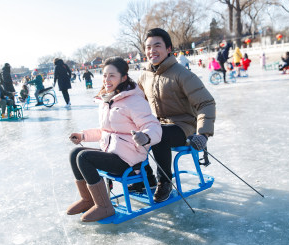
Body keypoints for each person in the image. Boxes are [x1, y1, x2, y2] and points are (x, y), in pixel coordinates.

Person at [68, 57, 162, 222]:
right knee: (75, 153)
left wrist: (145, 136)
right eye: (105, 75)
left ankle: (105, 206)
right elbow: (105, 131)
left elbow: (153, 126)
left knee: (84, 158)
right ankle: (89, 199)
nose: (107, 80)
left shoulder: (134, 101)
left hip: (129, 159)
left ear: (123, 78)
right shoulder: (107, 101)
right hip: (111, 153)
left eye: (112, 75)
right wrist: (83, 136)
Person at [135, 28, 216, 203]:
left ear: (169, 49)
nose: (152, 51)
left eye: (157, 45)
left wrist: (203, 134)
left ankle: (164, 181)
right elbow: (135, 102)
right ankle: (144, 177)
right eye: (148, 47)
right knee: (133, 133)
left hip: (183, 126)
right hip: (157, 125)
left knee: (158, 135)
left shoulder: (182, 74)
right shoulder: (144, 76)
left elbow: (206, 103)